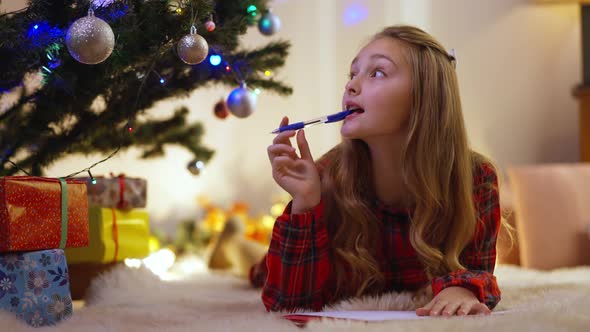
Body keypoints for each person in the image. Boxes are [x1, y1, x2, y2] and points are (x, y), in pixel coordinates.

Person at [208, 25, 502, 317]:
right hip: (297, 263)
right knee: (259, 270)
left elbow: (477, 271)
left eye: (377, 73)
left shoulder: (476, 179)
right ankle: (235, 245)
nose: (351, 85)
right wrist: (306, 202)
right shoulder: (326, 177)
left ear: (426, 97)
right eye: (353, 74)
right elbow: (287, 303)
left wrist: (462, 288)